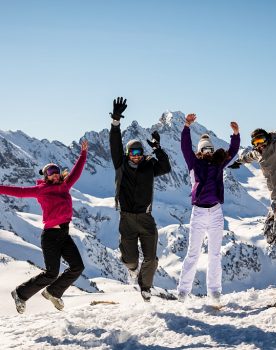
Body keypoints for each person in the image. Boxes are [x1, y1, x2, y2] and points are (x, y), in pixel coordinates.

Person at [0, 140, 88, 313]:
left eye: (56, 171)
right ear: (45, 176)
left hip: (64, 234)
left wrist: (83, 154)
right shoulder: (40, 190)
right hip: (50, 236)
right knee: (51, 273)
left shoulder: (65, 186)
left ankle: (53, 292)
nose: (55, 174)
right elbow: (17, 191)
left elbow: (76, 173)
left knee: (78, 267)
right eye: (50, 172)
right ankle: (20, 293)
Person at [109, 97, 171, 302]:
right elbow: (115, 143)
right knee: (130, 259)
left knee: (151, 258)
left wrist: (157, 148)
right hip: (126, 218)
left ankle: (146, 288)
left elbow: (166, 167)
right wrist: (116, 120)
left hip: (146, 218)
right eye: (132, 152)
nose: (136, 155)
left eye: (139, 152)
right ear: (127, 154)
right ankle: (132, 269)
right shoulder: (121, 165)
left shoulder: (149, 166)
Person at [177, 113, 240, 305]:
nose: (208, 152)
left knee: (214, 254)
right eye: (205, 149)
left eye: (210, 149)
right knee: (193, 253)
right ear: (200, 151)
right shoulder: (193, 163)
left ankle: (214, 292)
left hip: (215, 212)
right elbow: (185, 147)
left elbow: (233, 151)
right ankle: (182, 292)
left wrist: (236, 135)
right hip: (199, 213)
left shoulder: (218, 163)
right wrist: (187, 126)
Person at [229, 128, 276, 248]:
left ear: (267, 139)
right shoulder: (258, 153)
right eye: (255, 143)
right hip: (275, 196)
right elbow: (250, 156)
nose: (259, 145)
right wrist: (239, 161)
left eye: (261, 140)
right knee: (269, 235)